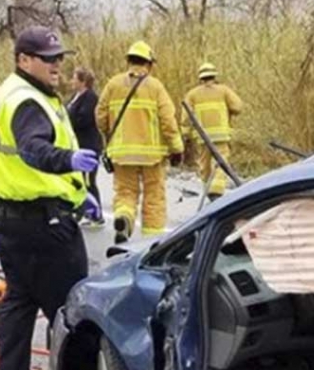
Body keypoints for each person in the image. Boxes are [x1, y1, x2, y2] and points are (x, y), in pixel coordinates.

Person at [0, 26, 100, 370]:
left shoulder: (18, 93)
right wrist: (68, 161)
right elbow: (33, 149)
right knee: (71, 308)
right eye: (48, 58)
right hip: (45, 227)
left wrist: (79, 200)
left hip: (16, 221)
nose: (56, 65)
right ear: (23, 60)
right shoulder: (28, 101)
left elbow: (18, 165)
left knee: (19, 305)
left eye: (59, 57)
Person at [95, 41, 183, 243]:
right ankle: (151, 242)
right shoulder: (155, 87)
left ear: (129, 61)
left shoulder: (113, 84)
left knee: (125, 193)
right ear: (149, 64)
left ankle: (124, 218)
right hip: (152, 157)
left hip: (121, 155)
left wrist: (111, 135)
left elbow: (100, 116)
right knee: (154, 197)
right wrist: (177, 148)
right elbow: (168, 120)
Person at [181, 62, 244, 201]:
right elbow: (238, 107)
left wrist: (185, 135)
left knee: (204, 165)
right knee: (221, 163)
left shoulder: (192, 94)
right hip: (221, 136)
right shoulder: (224, 90)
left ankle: (208, 190)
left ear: (200, 78)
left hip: (203, 138)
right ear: (214, 76)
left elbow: (185, 119)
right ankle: (216, 191)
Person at [67, 67, 104, 227]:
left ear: (82, 81)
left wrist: (69, 119)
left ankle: (97, 215)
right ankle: (82, 212)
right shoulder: (75, 97)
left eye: (74, 78)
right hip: (78, 146)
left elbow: (84, 119)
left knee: (89, 182)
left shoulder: (90, 98)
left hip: (89, 146)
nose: (72, 81)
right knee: (79, 181)